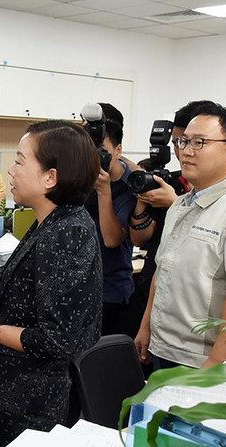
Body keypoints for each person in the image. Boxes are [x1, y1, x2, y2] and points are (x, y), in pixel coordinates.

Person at [0, 120, 102, 447]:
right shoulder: (50, 222)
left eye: (19, 161)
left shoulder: (66, 234)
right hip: (19, 391)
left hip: (37, 400)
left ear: (51, 178)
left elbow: (56, 339)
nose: (10, 171)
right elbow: (38, 306)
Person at [135, 102, 226, 370]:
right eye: (183, 141)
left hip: (204, 360)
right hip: (165, 348)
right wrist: (146, 326)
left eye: (200, 142)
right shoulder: (180, 204)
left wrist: (215, 363)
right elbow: (162, 271)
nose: (186, 151)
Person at [84, 102, 138, 338]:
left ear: (118, 151)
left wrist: (104, 190)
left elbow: (112, 239)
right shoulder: (82, 177)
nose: (96, 156)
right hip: (80, 288)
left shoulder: (129, 185)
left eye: (102, 150)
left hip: (111, 291)